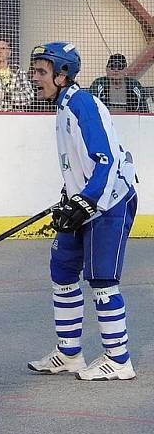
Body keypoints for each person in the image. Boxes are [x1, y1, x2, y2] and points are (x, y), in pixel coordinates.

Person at [27, 42, 137, 381]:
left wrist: (86, 202)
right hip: (85, 201)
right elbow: (80, 163)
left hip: (111, 202)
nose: (34, 77)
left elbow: (107, 160)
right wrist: (69, 196)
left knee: (102, 280)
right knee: (62, 272)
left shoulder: (83, 105)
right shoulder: (63, 106)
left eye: (41, 72)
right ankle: (69, 353)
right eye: (34, 71)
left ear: (63, 76)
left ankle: (119, 359)